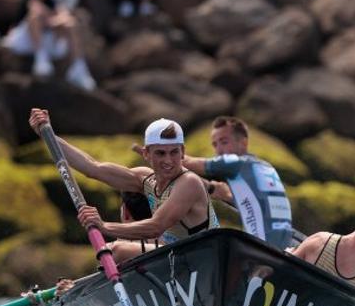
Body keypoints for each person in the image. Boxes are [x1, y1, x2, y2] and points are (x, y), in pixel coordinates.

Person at [29, 110, 218, 262]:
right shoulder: (145, 179)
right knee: (117, 247)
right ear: (146, 154)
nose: (168, 160)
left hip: (207, 259)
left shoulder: (189, 183)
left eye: (174, 152)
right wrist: (48, 135)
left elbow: (155, 226)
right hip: (180, 258)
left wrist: (105, 226)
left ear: (183, 152)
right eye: (160, 153)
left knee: (116, 249)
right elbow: (91, 168)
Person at [178, 116, 294, 251]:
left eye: (224, 142)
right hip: (285, 245)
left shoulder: (235, 162)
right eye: (215, 144)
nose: (219, 150)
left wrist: (159, 148)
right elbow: (255, 202)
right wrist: (219, 191)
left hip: (263, 248)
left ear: (243, 143)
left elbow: (186, 162)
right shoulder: (265, 167)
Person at [3, 0, 95, 87]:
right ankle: (41, 60)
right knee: (35, 16)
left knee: (70, 24)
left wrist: (56, 19)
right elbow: (35, 12)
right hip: (24, 40)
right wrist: (52, 18)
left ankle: (78, 67)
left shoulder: (51, 0)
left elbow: (61, 16)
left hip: (48, 39)